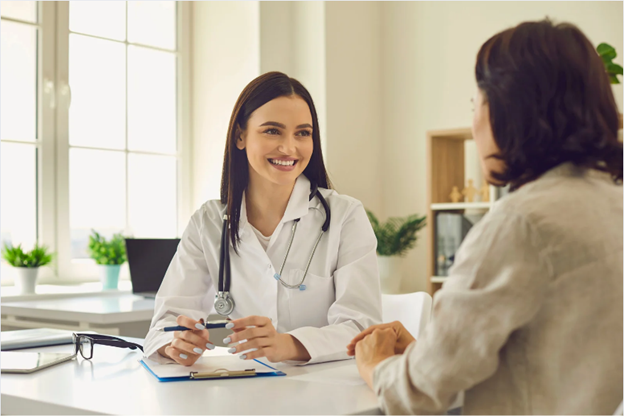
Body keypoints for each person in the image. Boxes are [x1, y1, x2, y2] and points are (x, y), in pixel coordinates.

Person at [347, 19, 623, 415]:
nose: (474, 121)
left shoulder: (520, 224)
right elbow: (542, 351)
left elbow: (417, 395)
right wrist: (431, 351)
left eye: (476, 103)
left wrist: (375, 364)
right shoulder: (612, 203)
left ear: (509, 111)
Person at [143, 71, 381, 366]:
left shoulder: (345, 216)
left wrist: (288, 345)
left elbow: (361, 326)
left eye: (303, 133)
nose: (289, 148)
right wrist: (175, 342)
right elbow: (165, 321)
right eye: (272, 131)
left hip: (329, 391)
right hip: (251, 389)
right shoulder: (209, 222)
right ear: (240, 136)